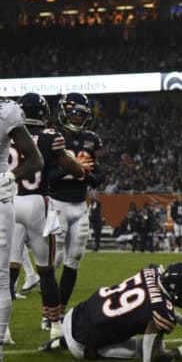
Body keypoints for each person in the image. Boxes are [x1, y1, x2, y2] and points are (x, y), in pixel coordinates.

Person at [8, 93, 86, 339]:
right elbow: (71, 167)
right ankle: (54, 327)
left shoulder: (6, 135)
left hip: (9, 202)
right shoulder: (51, 136)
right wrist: (80, 167)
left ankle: (4, 330)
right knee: (46, 270)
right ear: (43, 113)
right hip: (37, 205)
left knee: (7, 270)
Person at [39, 262, 182, 362]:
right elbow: (151, 358)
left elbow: (156, 299)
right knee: (147, 349)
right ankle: (85, 349)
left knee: (112, 323)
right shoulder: (160, 313)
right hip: (81, 343)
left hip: (75, 314)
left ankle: (60, 342)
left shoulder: (152, 273)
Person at [48, 92, 104, 326]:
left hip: (80, 205)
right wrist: (73, 168)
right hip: (57, 203)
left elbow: (98, 178)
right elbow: (48, 176)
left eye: (82, 114)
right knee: (55, 259)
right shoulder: (53, 136)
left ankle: (60, 312)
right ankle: (48, 311)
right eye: (75, 113)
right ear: (63, 112)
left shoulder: (92, 139)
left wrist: (86, 172)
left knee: (74, 259)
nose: (79, 119)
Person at [0, 96, 44, 359]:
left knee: (1, 278)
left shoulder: (6, 111)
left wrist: (10, 176)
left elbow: (36, 159)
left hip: (0, 199)